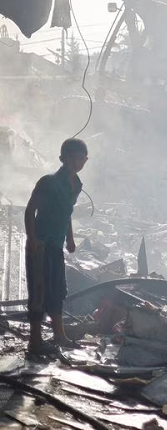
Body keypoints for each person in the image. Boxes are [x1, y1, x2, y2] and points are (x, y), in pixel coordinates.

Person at [25, 138, 89, 355]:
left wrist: (69, 238)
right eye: (73, 158)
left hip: (56, 245)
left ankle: (59, 335)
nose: (77, 163)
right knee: (39, 291)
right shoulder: (49, 182)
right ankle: (35, 341)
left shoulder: (77, 184)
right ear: (63, 159)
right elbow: (30, 210)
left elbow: (66, 213)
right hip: (41, 244)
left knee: (58, 290)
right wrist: (32, 238)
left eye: (82, 159)